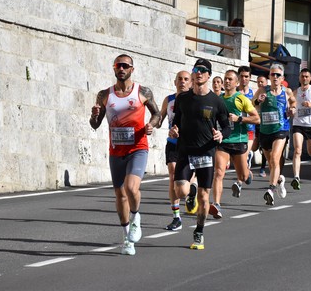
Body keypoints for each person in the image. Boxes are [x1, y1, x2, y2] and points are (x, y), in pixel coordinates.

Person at [89, 54, 161, 256]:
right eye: (117, 65)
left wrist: (150, 126)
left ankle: (136, 216)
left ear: (132, 69)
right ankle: (127, 237)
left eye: (125, 66)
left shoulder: (142, 91)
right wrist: (94, 115)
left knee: (131, 187)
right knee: (120, 195)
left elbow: (158, 115)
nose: (121, 68)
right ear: (114, 69)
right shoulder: (104, 95)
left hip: (138, 147)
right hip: (116, 151)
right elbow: (95, 125)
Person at [169, 58, 230, 250]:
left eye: (203, 70)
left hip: (206, 152)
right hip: (186, 151)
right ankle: (190, 192)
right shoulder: (183, 98)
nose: (199, 73)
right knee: (180, 191)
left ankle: (199, 231)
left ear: (209, 75)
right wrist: (174, 130)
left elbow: (227, 126)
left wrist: (222, 134)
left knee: (205, 198)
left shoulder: (217, 101)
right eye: (196, 69)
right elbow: (176, 121)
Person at [210, 70, 260, 219]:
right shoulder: (217, 99)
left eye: (230, 79)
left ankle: (248, 173)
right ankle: (217, 204)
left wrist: (239, 119)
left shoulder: (241, 99)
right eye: (225, 79)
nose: (226, 82)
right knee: (218, 172)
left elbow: (257, 119)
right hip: (223, 141)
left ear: (236, 83)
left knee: (242, 176)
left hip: (239, 141)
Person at [253, 64, 296, 205]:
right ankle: (279, 180)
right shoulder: (262, 90)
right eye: (273, 74)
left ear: (282, 77)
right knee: (271, 163)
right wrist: (259, 101)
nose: (275, 77)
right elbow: (252, 105)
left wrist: (292, 110)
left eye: (278, 75)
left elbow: (293, 103)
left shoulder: (287, 92)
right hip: (265, 130)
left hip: (281, 129)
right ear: (269, 77)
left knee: (275, 159)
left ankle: (270, 190)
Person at [157, 70, 191, 231]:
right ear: (174, 82)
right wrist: (153, 123)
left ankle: (192, 191)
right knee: (172, 175)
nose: (182, 82)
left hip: (191, 144)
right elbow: (160, 117)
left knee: (187, 179)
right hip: (172, 143)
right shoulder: (169, 100)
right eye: (179, 79)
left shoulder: (194, 99)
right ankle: (176, 217)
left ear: (190, 83)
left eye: (186, 79)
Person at [237, 66, 256, 166]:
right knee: (239, 157)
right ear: (238, 77)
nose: (244, 79)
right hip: (236, 129)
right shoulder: (233, 92)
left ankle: (239, 181)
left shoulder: (253, 93)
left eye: (246, 76)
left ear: (250, 77)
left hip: (249, 128)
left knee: (244, 154)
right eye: (242, 76)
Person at [254, 74, 269, 177]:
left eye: (262, 82)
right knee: (254, 147)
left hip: (267, 123)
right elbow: (252, 103)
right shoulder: (258, 92)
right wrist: (258, 101)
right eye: (258, 82)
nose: (260, 84)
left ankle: (263, 168)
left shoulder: (270, 92)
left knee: (265, 147)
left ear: (266, 83)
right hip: (257, 122)